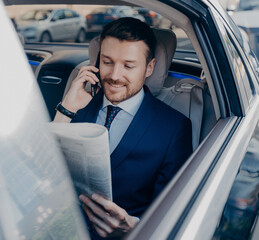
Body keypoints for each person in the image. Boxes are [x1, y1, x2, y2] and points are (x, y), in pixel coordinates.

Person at [54, 17, 192, 239]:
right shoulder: (77, 104)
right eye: (107, 62)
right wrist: (66, 109)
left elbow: (172, 210)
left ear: (149, 68)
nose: (115, 76)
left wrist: (133, 226)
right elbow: (42, 171)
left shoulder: (174, 129)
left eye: (128, 66)